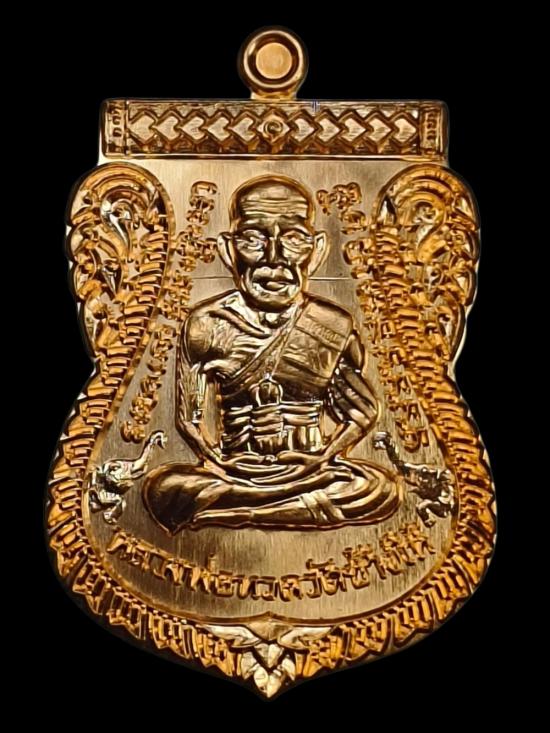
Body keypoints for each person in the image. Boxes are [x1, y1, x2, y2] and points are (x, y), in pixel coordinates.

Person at [143, 175, 402, 533]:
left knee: (379, 489)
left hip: (309, 470)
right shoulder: (206, 324)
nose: (274, 258)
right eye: (253, 239)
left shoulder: (332, 324)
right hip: (235, 470)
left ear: (317, 250)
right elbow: (188, 419)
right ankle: (275, 508)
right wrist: (218, 461)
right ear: (228, 250)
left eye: (293, 239)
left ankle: (244, 514)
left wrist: (320, 458)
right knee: (165, 489)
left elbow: (363, 413)